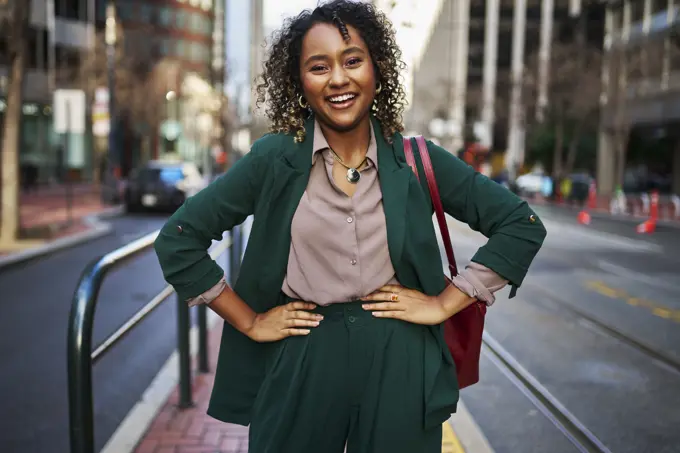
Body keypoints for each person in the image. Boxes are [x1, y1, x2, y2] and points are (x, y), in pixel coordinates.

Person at [153, 2, 547, 452]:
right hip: (302, 356)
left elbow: (521, 224)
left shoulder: (415, 159)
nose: (338, 79)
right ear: (300, 83)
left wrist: (444, 304)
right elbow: (178, 240)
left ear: (376, 70)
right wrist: (250, 322)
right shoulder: (273, 159)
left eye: (352, 60)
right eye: (319, 67)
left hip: (401, 359)